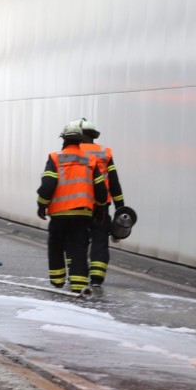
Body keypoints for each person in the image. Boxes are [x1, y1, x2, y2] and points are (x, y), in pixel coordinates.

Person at [36, 121, 108, 293]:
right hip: (82, 214)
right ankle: (78, 286)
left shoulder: (55, 158)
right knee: (78, 248)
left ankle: (57, 282)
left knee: (56, 246)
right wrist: (99, 208)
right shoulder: (90, 160)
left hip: (59, 214)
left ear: (64, 140)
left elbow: (48, 184)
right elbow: (100, 188)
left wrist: (42, 205)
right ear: (80, 140)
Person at [78, 118, 128, 287]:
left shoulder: (72, 152)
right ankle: (97, 278)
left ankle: (78, 275)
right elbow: (114, 182)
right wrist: (120, 207)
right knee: (100, 241)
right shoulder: (105, 153)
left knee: (78, 240)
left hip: (79, 205)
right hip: (102, 206)